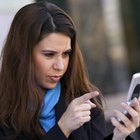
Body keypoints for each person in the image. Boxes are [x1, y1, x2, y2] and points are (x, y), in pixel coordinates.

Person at [0, 1, 139, 140]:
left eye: (66, 53)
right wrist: (63, 128)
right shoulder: (4, 108)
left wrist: (119, 136)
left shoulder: (84, 100)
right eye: (49, 54)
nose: (60, 66)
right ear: (22, 53)